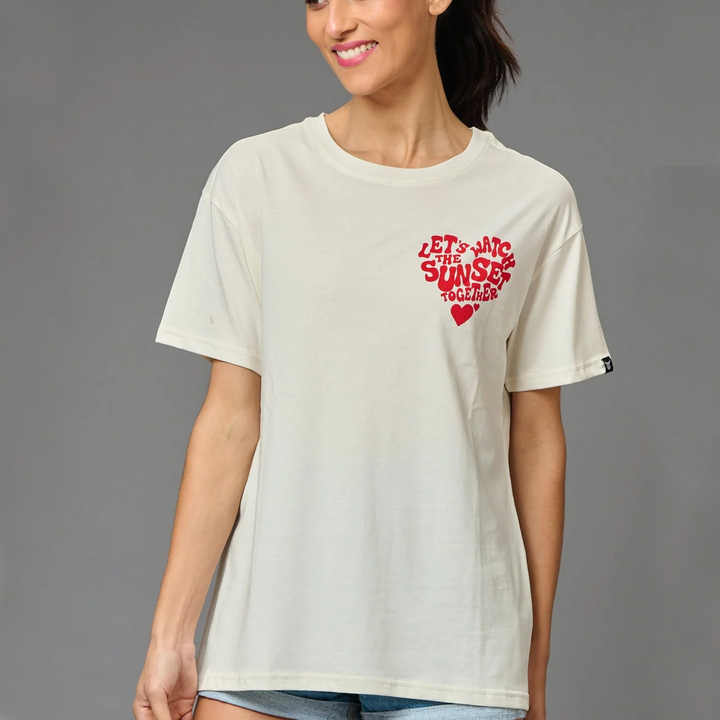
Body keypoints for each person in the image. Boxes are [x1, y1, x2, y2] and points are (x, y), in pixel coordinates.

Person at [134, 1, 615, 719]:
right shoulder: (257, 176)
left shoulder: (534, 201)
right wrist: (170, 633)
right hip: (271, 641)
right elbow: (231, 419)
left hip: (459, 654)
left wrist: (532, 666)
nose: (335, 24)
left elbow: (537, 440)